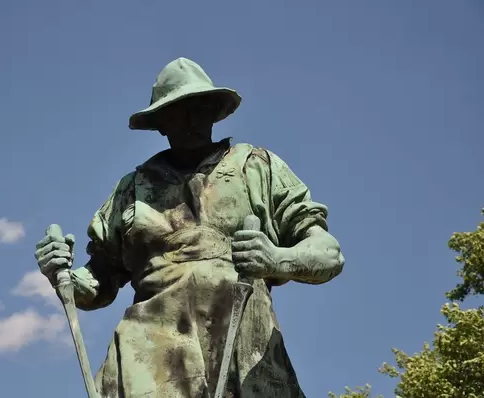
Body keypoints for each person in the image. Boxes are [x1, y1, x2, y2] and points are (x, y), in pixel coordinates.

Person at [35, 57, 345, 398]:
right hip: (149, 363)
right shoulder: (133, 188)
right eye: (178, 111)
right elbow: (97, 284)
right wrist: (62, 274)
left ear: (214, 111)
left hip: (242, 354)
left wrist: (275, 258)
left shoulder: (256, 167)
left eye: (200, 108)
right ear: (160, 124)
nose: (191, 120)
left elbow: (328, 254)